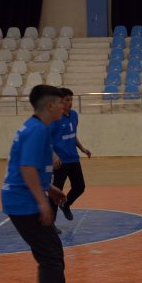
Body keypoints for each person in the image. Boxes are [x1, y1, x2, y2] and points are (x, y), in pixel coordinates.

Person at [1, 85, 84, 283]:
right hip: (22, 203)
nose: (64, 107)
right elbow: (26, 169)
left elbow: (34, 168)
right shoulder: (37, 130)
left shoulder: (39, 127)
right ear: (50, 106)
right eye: (60, 103)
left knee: (53, 254)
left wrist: (51, 189)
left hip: (25, 199)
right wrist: (42, 202)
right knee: (50, 257)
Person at [50, 87, 91, 223]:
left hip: (73, 158)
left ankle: (66, 205)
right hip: (60, 162)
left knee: (80, 187)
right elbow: (46, 140)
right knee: (56, 192)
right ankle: (51, 224)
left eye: (71, 99)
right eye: (67, 100)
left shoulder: (74, 115)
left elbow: (72, 135)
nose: (70, 102)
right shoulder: (54, 118)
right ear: (60, 101)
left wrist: (82, 148)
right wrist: (54, 156)